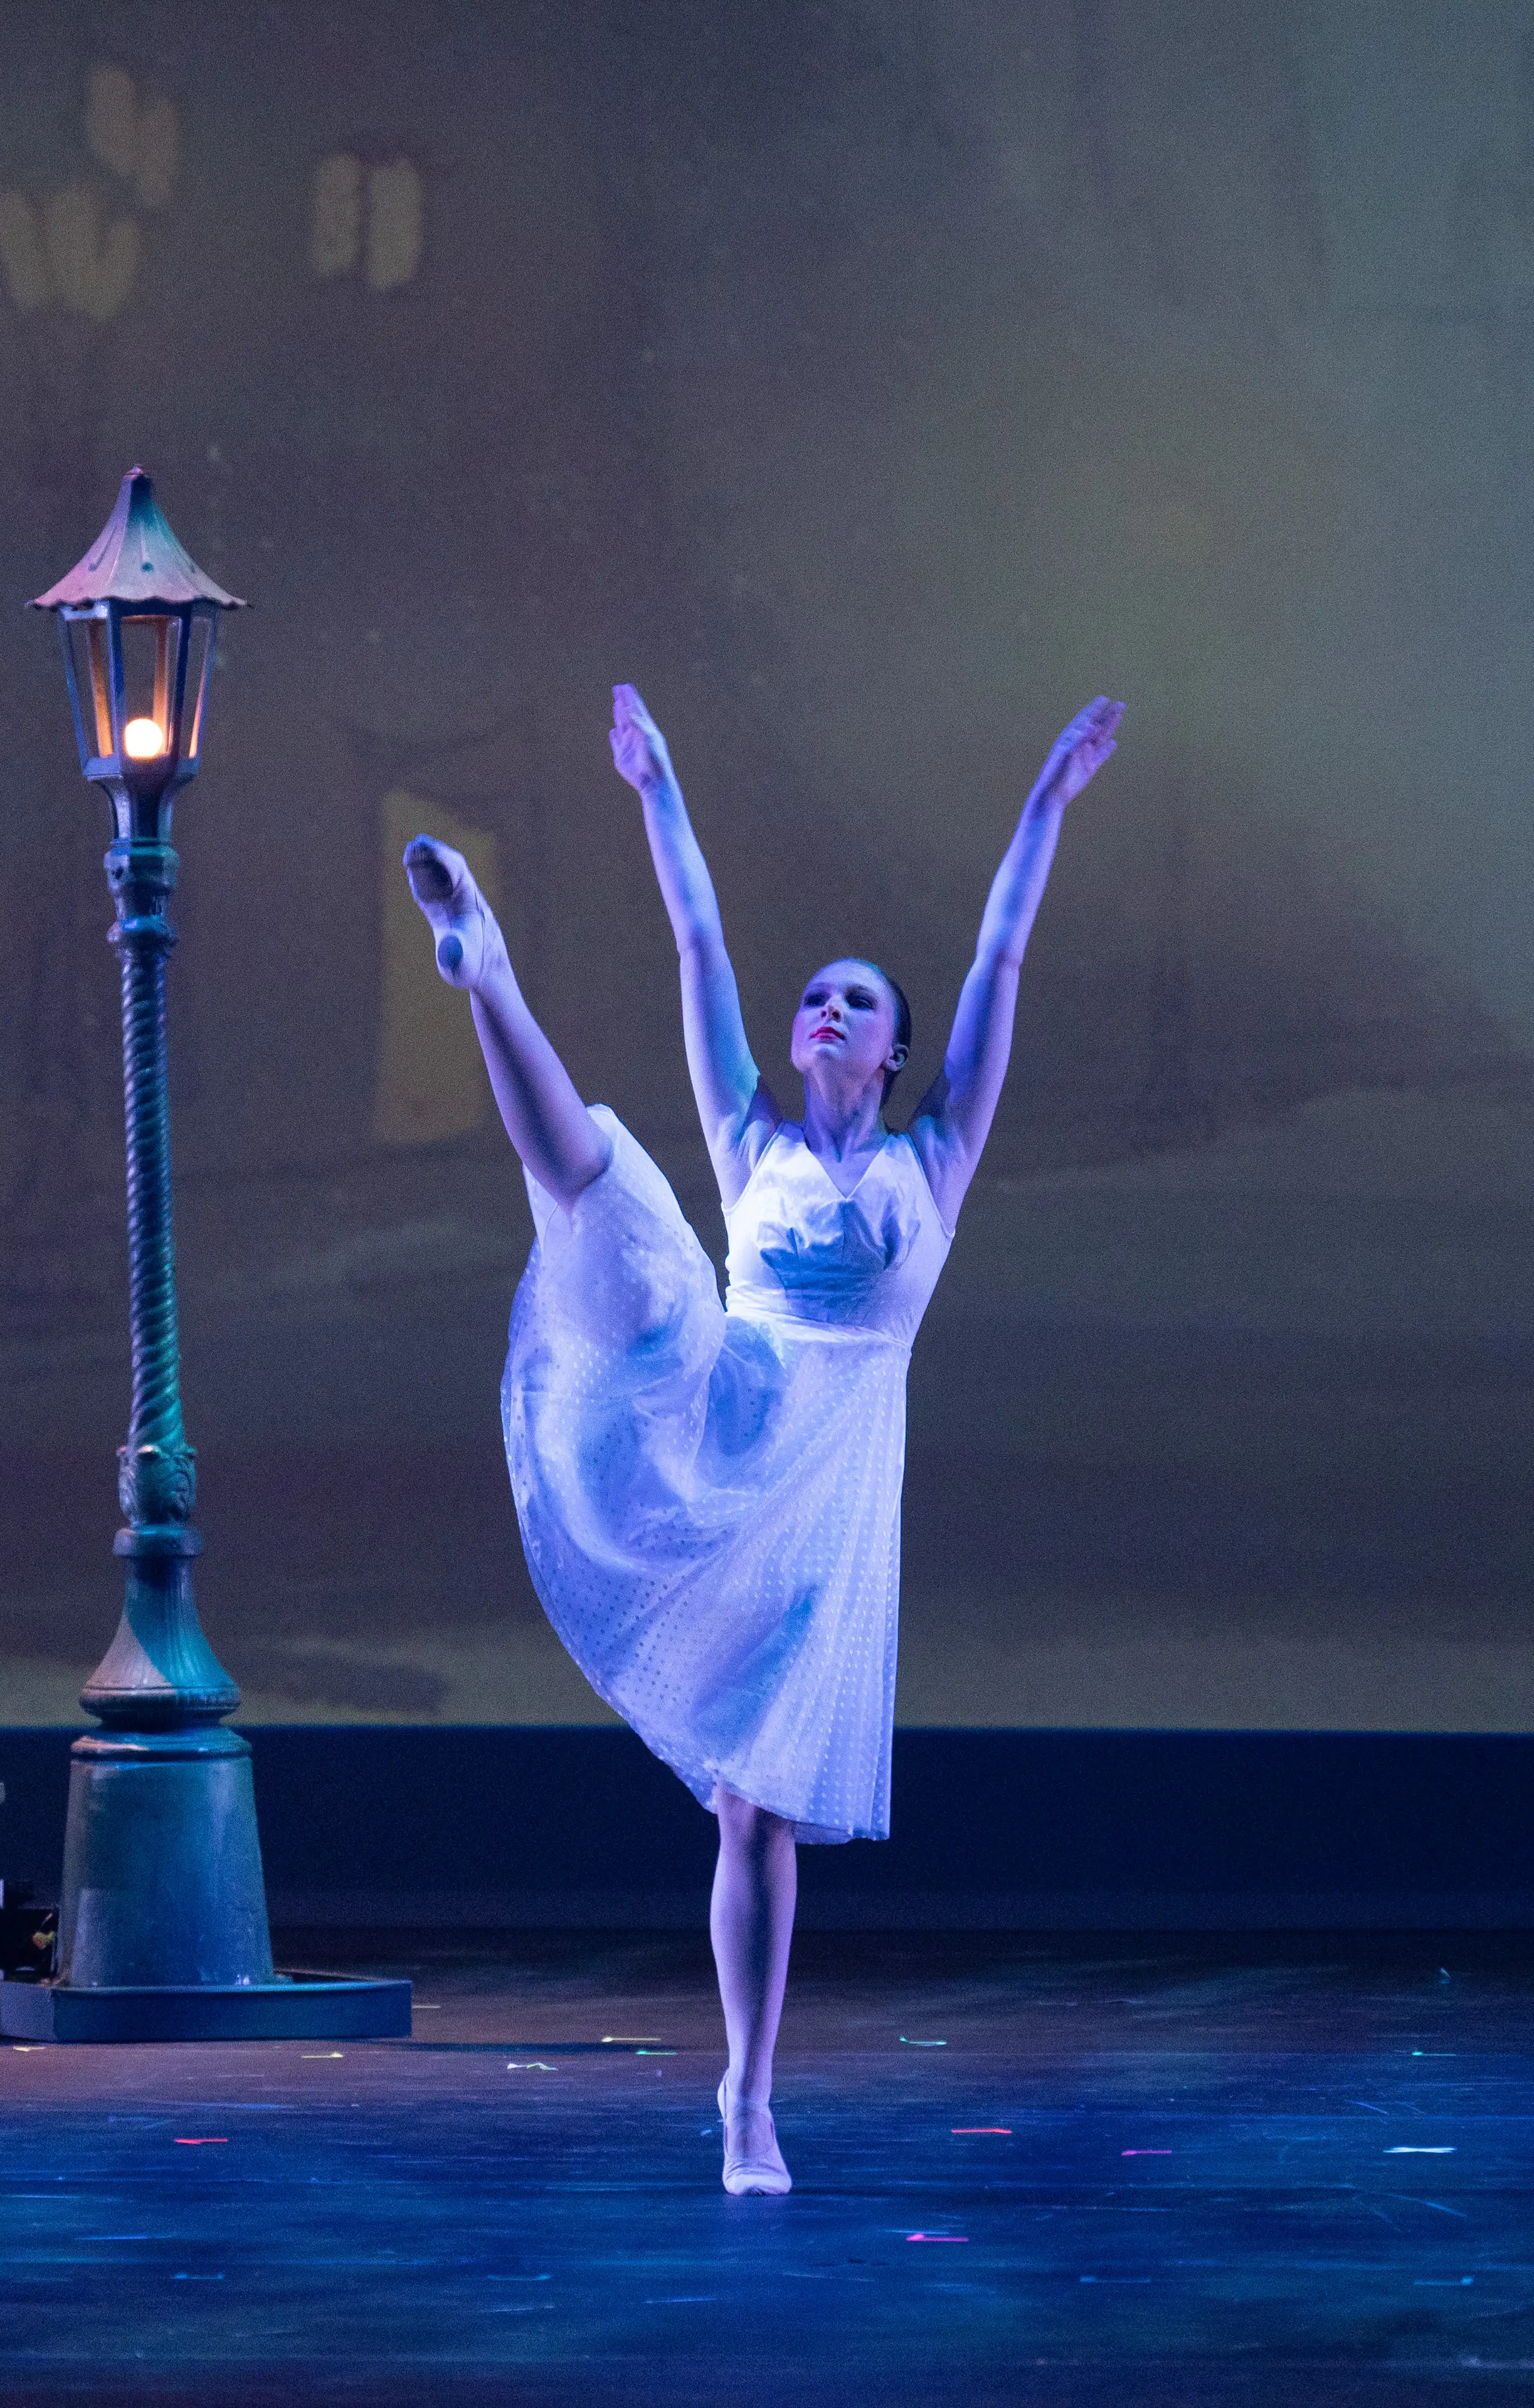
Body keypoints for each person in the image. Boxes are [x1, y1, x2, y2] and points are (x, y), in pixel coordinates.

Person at [401, 681, 1118, 2192]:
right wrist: (656, 786)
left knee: (753, 1807)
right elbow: (700, 940)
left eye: (860, 1001)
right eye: (818, 997)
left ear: (898, 1049)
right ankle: (489, 974)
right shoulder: (753, 1139)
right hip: (714, 1408)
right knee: (609, 1197)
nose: (829, 1009)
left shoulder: (937, 1157)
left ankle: (748, 2095)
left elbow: (1000, 952)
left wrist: (1046, 802)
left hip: (823, 1498)